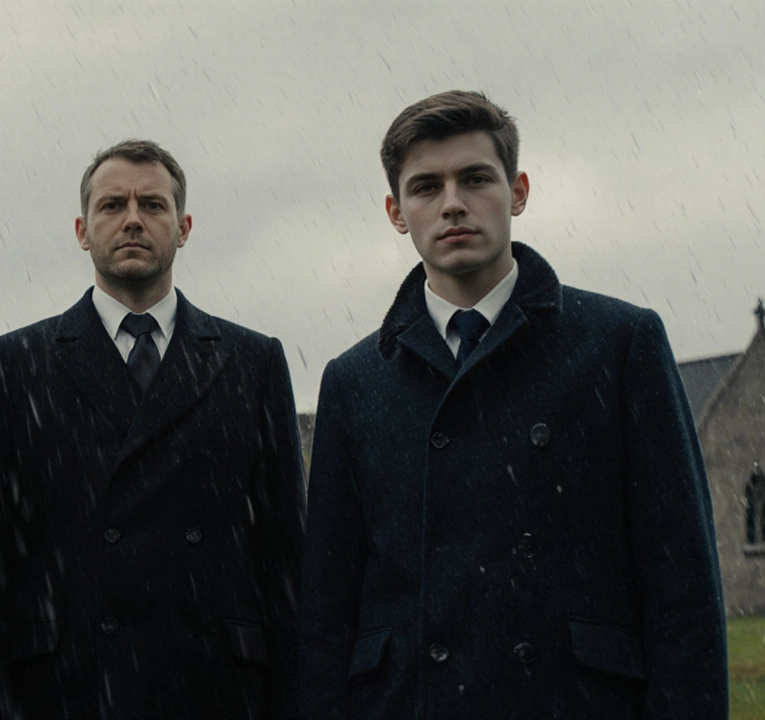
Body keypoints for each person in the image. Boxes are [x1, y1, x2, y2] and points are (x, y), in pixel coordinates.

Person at [299, 91, 727, 718]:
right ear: (396, 211)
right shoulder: (353, 380)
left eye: (475, 178)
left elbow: (682, 586)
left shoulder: (618, 343)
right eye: (425, 188)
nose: (452, 204)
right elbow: (328, 615)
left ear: (518, 190)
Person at [0, 139, 304, 718]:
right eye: (113, 205)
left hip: (217, 690)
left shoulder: (254, 361)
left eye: (153, 205)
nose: (133, 220)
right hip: (66, 690)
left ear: (185, 225)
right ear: (82, 229)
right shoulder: (15, 363)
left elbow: (286, 558)